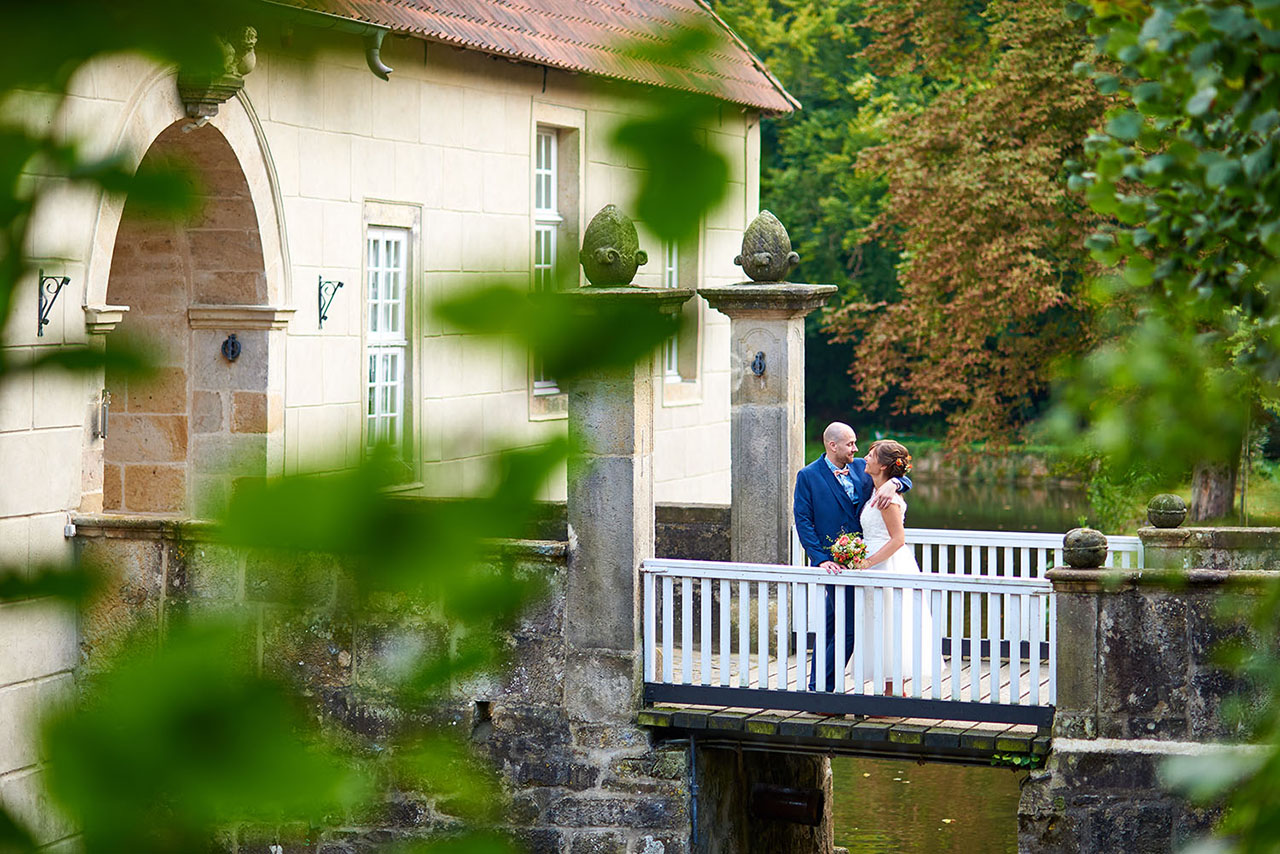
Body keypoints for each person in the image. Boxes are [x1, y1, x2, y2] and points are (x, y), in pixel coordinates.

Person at [794, 422, 909, 692]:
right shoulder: (808, 476)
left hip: (865, 563)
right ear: (832, 445)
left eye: (856, 443)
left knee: (836, 626)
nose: (856, 449)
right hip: (834, 563)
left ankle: (819, 688)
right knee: (842, 628)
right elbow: (803, 521)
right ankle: (823, 688)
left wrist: (894, 482)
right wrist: (821, 558)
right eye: (850, 444)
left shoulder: (861, 467)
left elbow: (901, 473)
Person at [859, 439, 931, 697]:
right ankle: (889, 690)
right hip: (875, 563)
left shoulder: (889, 499)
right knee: (880, 624)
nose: (865, 458)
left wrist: (867, 562)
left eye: (871, 455)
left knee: (890, 623)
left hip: (887, 564)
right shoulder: (877, 488)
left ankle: (891, 692)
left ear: (883, 466)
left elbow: (898, 539)